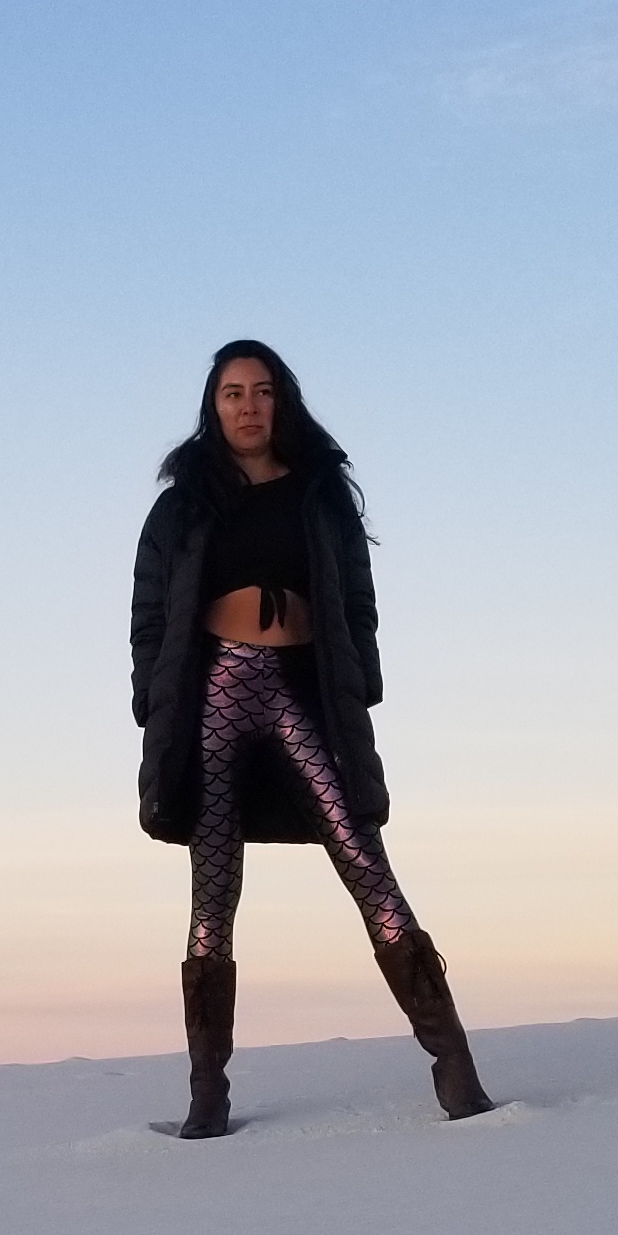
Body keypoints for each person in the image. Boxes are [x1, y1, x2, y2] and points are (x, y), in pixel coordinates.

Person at [128, 339, 494, 1138]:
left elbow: (356, 601)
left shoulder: (321, 494)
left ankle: (455, 1071)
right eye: (232, 394)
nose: (248, 407)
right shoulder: (182, 503)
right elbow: (150, 617)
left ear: (282, 400)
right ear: (212, 406)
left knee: (363, 858)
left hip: (303, 691)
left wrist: (358, 681)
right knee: (212, 893)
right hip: (214, 696)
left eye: (261, 391)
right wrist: (152, 706)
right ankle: (207, 1097)